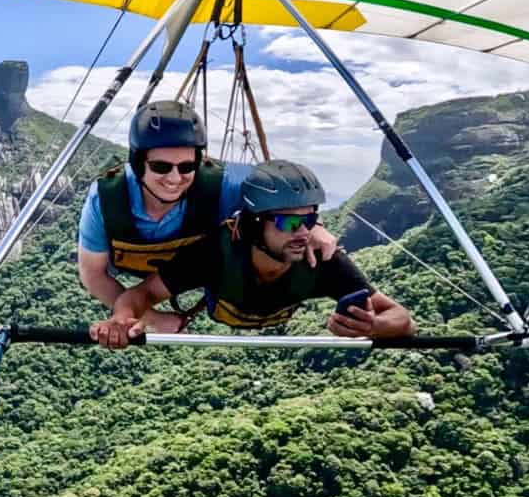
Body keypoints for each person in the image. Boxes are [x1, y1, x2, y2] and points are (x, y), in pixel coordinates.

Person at [89, 159, 416, 348]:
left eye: (310, 220)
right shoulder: (216, 253)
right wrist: (123, 319)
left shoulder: (320, 260)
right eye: (289, 222)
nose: (302, 232)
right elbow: (142, 293)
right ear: (254, 224)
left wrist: (372, 326)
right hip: (227, 300)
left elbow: (402, 319)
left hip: (276, 305)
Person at [78, 101, 337, 333]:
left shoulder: (224, 184)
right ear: (138, 163)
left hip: (193, 268)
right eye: (161, 167)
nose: (174, 178)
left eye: (187, 166)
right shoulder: (107, 199)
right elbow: (93, 275)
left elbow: (289, 190)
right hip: (138, 275)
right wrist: (150, 317)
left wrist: (316, 226)